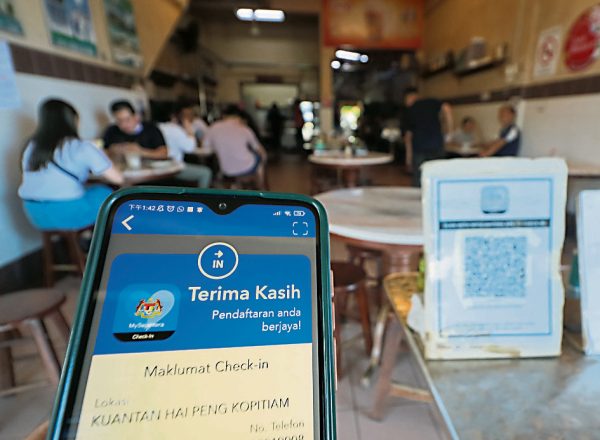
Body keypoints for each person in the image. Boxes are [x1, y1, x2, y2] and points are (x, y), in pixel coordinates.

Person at [18, 99, 123, 230]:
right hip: (66, 213)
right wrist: (99, 152)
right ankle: (108, 238)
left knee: (85, 191)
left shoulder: (31, 145)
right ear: (72, 121)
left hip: (34, 213)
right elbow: (118, 178)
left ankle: (87, 235)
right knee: (106, 193)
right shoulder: (81, 146)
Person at [403, 87, 453, 187]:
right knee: (437, 175)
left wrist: (408, 159)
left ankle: (419, 195)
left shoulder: (409, 110)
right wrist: (450, 132)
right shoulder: (431, 102)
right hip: (437, 146)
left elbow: (408, 137)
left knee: (419, 178)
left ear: (409, 97)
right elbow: (447, 108)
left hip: (419, 149)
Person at [202, 104, 267, 181]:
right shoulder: (244, 129)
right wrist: (264, 159)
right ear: (239, 116)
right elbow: (260, 150)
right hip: (247, 167)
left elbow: (204, 146)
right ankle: (260, 185)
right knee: (259, 158)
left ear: (223, 116)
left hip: (226, 170)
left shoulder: (213, 127)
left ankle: (236, 183)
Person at [158, 102, 213, 188]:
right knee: (206, 172)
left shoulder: (158, 127)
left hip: (161, 165)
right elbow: (190, 148)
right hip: (174, 167)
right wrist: (190, 131)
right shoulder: (175, 130)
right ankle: (201, 196)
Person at [103, 100, 168, 159]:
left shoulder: (151, 129)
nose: (123, 125)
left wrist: (140, 151)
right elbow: (101, 152)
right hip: (122, 167)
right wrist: (112, 151)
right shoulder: (111, 130)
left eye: (127, 119)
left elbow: (164, 153)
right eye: (119, 121)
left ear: (136, 117)